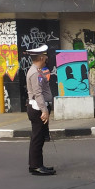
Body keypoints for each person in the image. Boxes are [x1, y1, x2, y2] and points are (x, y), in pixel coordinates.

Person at [25, 45, 55, 176]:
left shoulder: (38, 71)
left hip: (39, 108)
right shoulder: (35, 73)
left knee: (39, 137)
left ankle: (37, 164)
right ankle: (36, 166)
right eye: (45, 56)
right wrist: (44, 111)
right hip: (37, 109)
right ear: (41, 58)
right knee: (37, 138)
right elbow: (38, 94)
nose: (47, 58)